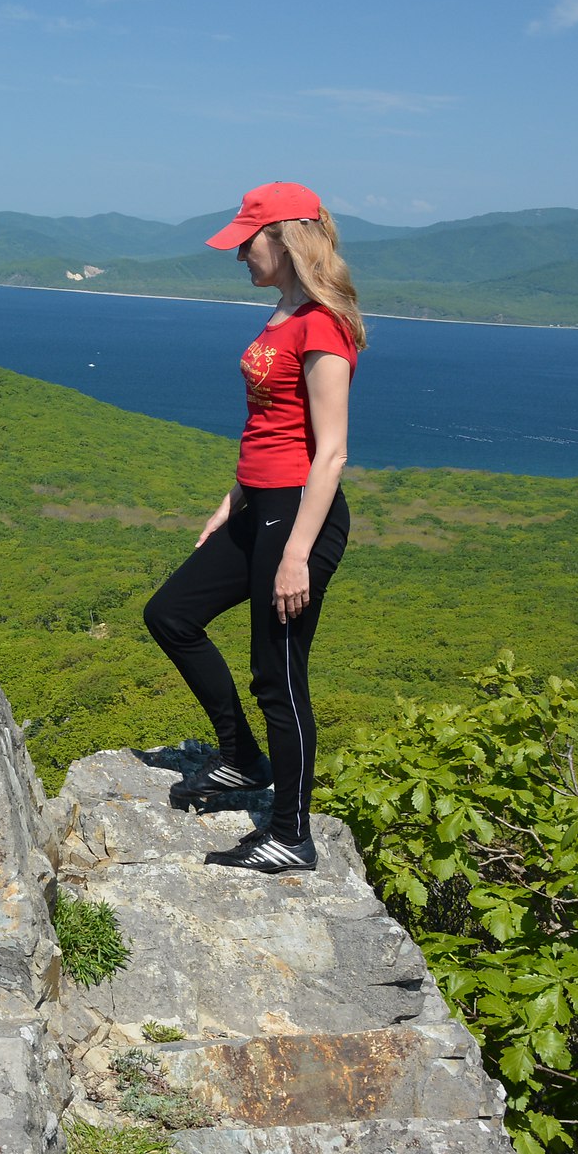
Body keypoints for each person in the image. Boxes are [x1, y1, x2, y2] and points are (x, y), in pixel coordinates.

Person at [142, 181, 364, 871]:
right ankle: (240, 756)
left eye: (248, 240)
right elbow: (269, 427)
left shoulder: (322, 324)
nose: (239, 254)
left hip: (299, 516)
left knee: (279, 675)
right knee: (171, 614)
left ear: (285, 239)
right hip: (258, 506)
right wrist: (228, 501)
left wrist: (296, 550)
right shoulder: (282, 311)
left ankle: (292, 835)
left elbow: (330, 450)